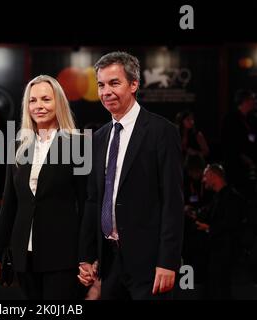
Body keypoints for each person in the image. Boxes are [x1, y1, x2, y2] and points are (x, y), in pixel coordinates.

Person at [78, 52, 184, 300]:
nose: (106, 92)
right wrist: (86, 255)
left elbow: (173, 202)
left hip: (150, 264)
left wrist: (168, 261)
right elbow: (93, 200)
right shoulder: (99, 138)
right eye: (101, 85)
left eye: (114, 83)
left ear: (134, 83)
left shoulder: (162, 132)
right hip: (109, 261)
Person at [0, 75, 87, 300]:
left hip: (63, 254)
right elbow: (9, 203)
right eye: (33, 100)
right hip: (23, 254)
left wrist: (87, 256)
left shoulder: (79, 144)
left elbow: (85, 205)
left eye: (46, 99)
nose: (39, 106)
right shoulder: (17, 146)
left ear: (58, 103)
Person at [195, 164, 245, 299]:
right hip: (215, 254)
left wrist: (209, 228)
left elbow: (230, 224)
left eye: (205, 176)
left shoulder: (233, 198)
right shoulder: (217, 198)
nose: (203, 180)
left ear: (213, 175)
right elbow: (204, 213)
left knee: (221, 290)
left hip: (225, 254)